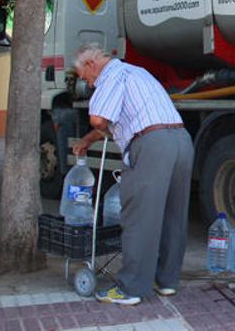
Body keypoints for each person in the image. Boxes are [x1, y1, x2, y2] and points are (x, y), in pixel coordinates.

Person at [71, 43, 193, 305]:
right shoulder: (137, 72)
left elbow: (99, 119)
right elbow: (119, 119)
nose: (90, 84)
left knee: (140, 217)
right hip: (180, 140)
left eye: (86, 77)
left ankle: (131, 288)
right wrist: (89, 140)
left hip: (152, 146)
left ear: (92, 65)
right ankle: (167, 281)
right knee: (174, 214)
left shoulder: (111, 75)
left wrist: (94, 114)